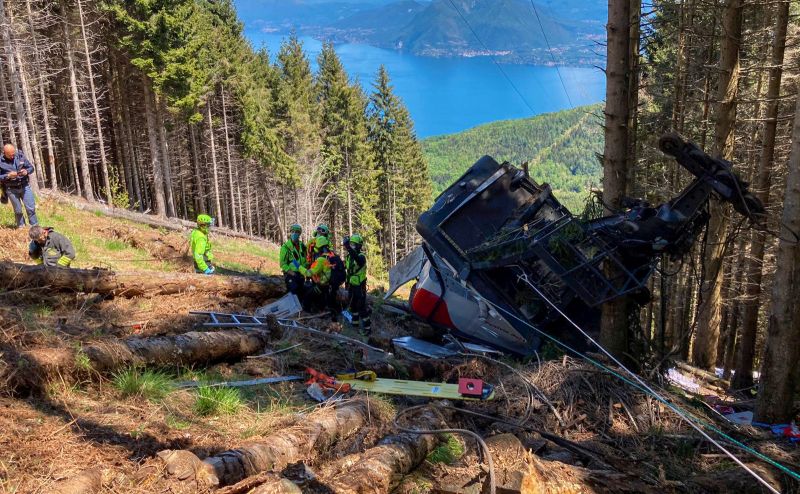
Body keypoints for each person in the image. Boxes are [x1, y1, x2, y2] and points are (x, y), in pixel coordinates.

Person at [300, 236, 345, 318]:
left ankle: (307, 314)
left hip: (323, 286)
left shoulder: (321, 260)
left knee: (308, 295)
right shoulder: (333, 256)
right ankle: (330, 313)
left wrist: (299, 267)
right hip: (332, 286)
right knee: (328, 301)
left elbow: (309, 273)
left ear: (318, 248)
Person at [0, 144, 37, 228]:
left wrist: (26, 171)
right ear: (4, 153)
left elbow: (31, 168)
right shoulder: (0, 162)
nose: (13, 156)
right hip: (11, 189)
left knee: (30, 208)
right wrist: (8, 176)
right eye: (10, 155)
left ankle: (35, 227)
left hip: (25, 186)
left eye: (13, 153)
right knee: (18, 211)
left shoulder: (20, 156)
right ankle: (21, 228)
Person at [343, 234, 371, 334]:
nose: (352, 246)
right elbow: (348, 270)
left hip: (360, 286)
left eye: (354, 244)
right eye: (351, 244)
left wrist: (348, 247)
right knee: (353, 306)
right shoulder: (348, 257)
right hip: (351, 285)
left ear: (359, 246)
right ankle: (355, 324)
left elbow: (358, 261)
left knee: (361, 307)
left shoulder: (361, 257)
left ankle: (367, 329)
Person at [279, 223, 307, 295]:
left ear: (299, 233)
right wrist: (292, 273)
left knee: (302, 294)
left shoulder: (302, 246)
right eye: (293, 231)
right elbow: (283, 264)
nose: (294, 233)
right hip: (291, 274)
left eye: (297, 232)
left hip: (301, 274)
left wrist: (306, 271)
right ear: (290, 232)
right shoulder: (285, 247)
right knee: (293, 291)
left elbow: (305, 260)